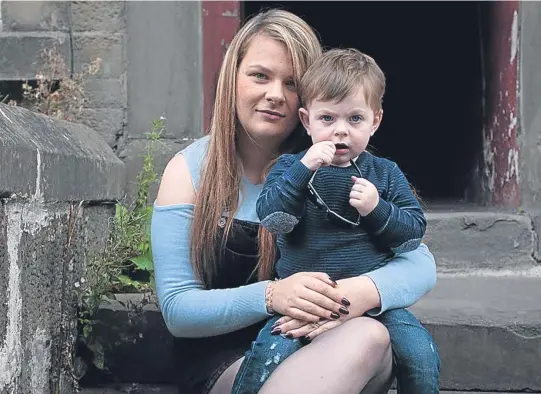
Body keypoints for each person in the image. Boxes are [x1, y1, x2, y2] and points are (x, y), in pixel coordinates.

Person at [151, 8, 440, 394]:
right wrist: (274, 296)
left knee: (371, 337)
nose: (274, 94)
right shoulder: (189, 171)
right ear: (231, 79)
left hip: (329, 340)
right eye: (259, 75)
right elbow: (178, 311)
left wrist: (353, 295)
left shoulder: (338, 164)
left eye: (291, 83)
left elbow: (419, 263)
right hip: (226, 360)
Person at [230, 47, 429, 394]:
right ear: (306, 121)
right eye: (327, 119)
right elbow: (274, 220)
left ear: (375, 121)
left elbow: (412, 236)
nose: (340, 132)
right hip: (303, 304)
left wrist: (376, 208)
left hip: (370, 306)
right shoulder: (288, 168)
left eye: (354, 119)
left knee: (419, 353)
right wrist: (303, 168)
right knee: (264, 356)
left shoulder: (384, 173)